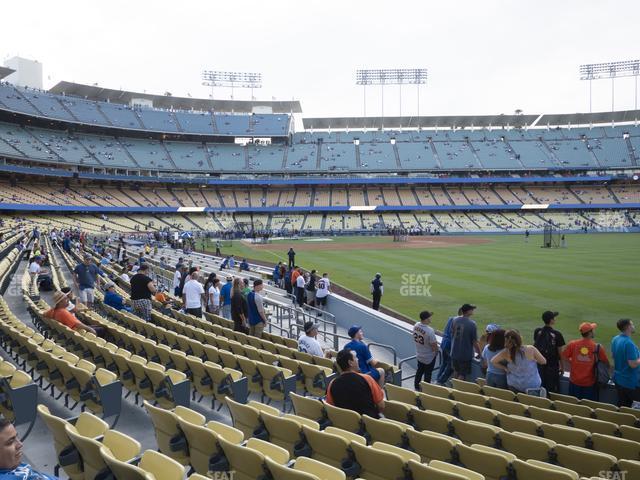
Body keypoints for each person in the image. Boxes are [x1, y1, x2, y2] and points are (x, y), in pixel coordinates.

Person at [325, 349, 384, 419]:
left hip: (345, 425)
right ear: (350, 362)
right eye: (355, 357)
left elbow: (331, 407)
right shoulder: (367, 379)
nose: (358, 359)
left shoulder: (332, 384)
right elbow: (381, 406)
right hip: (369, 425)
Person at [562, 323, 609, 401]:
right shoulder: (597, 347)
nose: (594, 331)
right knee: (588, 407)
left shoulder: (573, 344)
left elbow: (564, 356)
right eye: (593, 330)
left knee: (573, 405)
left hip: (574, 382)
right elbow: (606, 363)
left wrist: (572, 362)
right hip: (589, 384)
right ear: (590, 333)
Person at [533, 311, 566, 394]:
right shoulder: (557, 334)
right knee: (551, 390)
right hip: (552, 367)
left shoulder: (537, 332)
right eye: (554, 318)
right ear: (551, 320)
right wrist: (562, 367)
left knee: (541, 387)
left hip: (539, 365)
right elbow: (560, 353)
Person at [611, 319, 640, 407]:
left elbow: (613, 356)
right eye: (632, 324)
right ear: (628, 327)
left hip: (618, 380)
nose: (633, 326)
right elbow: (633, 364)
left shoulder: (615, 339)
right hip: (630, 382)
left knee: (622, 405)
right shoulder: (629, 343)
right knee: (634, 408)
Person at [450, 304, 480, 380]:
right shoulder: (472, 324)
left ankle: (454, 388)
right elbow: (474, 342)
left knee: (456, 371)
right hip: (465, 354)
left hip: (454, 352)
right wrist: (480, 353)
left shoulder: (454, 320)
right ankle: (457, 390)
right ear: (468, 311)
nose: (473, 310)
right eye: (472, 309)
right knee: (462, 374)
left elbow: (452, 333)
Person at [413, 311, 439, 389]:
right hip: (429, 357)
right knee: (428, 374)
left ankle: (416, 387)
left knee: (419, 371)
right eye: (429, 317)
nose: (431, 318)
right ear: (426, 319)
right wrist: (436, 352)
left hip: (419, 354)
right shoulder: (430, 331)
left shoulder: (416, 325)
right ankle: (426, 390)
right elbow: (434, 346)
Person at [436, 308, 462, 385]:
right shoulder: (458, 322)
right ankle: (440, 381)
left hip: (444, 343)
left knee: (444, 363)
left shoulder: (451, 319)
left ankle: (438, 379)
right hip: (450, 345)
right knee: (451, 365)